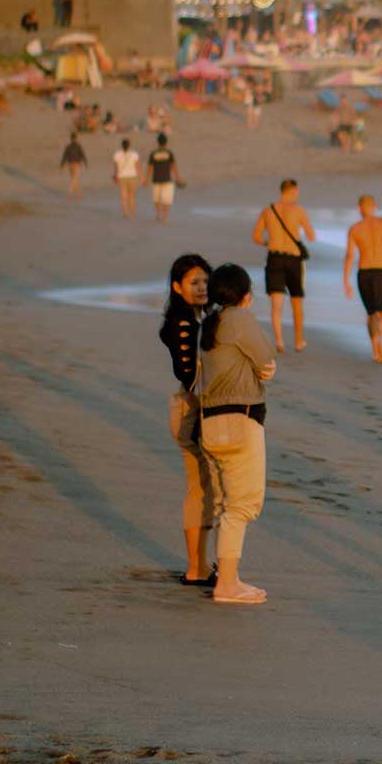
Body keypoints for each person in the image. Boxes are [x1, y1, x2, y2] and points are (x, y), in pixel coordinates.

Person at [196, 264, 276, 606]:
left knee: (226, 504)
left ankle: (228, 577)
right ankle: (226, 583)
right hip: (240, 420)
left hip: (210, 422)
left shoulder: (209, 324)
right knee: (243, 504)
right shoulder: (238, 319)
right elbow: (267, 361)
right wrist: (261, 370)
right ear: (245, 294)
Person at [158, 254, 217, 584]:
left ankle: (200, 564)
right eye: (194, 283)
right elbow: (187, 372)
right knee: (200, 490)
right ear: (177, 286)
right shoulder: (183, 324)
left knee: (203, 489)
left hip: (192, 408)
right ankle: (197, 567)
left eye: (205, 281)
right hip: (193, 411)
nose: (201, 288)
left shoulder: (193, 320)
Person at [342, 195, 382, 365]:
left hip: (363, 273)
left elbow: (350, 256)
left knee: (371, 314)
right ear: (375, 206)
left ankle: (374, 349)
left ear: (359, 208)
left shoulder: (355, 229)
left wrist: (346, 280)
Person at [252, 180, 315, 353]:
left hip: (275, 258)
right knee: (296, 301)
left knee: (276, 303)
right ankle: (298, 341)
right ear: (294, 191)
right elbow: (311, 236)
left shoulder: (269, 210)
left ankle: (279, 341)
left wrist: (269, 242)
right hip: (293, 259)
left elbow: (256, 236)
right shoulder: (299, 211)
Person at [147, 133, 179, 225]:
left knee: (156, 199)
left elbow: (150, 167)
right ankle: (165, 217)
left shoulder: (153, 153)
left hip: (156, 178)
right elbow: (174, 166)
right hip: (167, 179)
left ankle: (158, 215)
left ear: (158, 142)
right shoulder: (169, 153)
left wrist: (146, 179)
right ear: (166, 142)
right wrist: (177, 177)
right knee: (166, 200)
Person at [111, 138, 141, 219]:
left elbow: (116, 167)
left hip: (122, 176)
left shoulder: (117, 154)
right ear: (129, 145)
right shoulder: (134, 154)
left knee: (123, 196)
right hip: (132, 176)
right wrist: (140, 177)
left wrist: (116, 176)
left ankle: (125, 213)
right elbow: (137, 166)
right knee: (132, 196)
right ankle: (132, 214)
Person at [60, 132, 87, 199]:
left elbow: (64, 156)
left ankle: (80, 194)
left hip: (70, 165)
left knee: (74, 179)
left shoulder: (68, 146)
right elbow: (82, 154)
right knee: (74, 179)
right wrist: (85, 163)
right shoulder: (78, 146)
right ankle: (70, 193)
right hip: (76, 165)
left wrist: (62, 164)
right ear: (76, 138)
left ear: (71, 138)